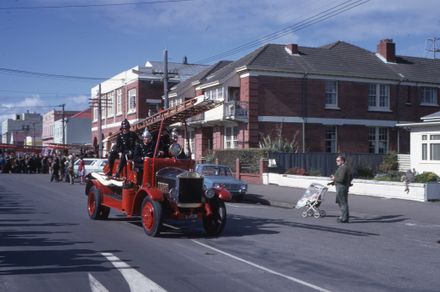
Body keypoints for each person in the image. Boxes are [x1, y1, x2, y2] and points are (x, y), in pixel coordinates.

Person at [330, 155, 352, 223]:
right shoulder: (345, 167)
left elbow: (341, 179)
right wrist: (347, 183)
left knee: (343, 203)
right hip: (342, 187)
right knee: (341, 202)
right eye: (336, 160)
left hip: (341, 188)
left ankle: (344, 218)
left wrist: (334, 178)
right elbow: (351, 177)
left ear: (342, 161)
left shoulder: (343, 168)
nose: (337, 162)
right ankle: (343, 216)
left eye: (338, 160)